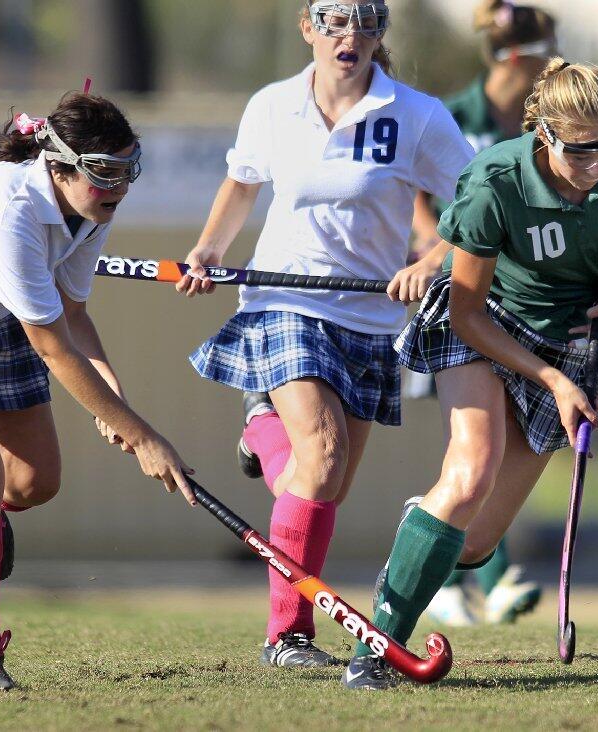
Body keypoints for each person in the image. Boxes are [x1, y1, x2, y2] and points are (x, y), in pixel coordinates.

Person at [344, 59, 598, 690]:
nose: (597, 166)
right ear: (543, 134)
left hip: (573, 341)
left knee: (473, 544)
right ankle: (379, 647)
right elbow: (469, 315)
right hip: (489, 322)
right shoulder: (492, 183)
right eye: (579, 152)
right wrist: (554, 383)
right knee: (471, 468)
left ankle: (430, 527)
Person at [179, 0, 474, 670]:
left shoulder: (418, 116)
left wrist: (431, 261)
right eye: (334, 21)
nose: (351, 36)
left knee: (322, 481)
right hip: (283, 300)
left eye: (366, 22)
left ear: (380, 34)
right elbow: (241, 185)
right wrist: (206, 250)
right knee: (323, 456)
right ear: (307, 29)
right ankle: (287, 635)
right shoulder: (270, 106)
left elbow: (475, 200)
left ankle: (261, 427)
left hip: (369, 319)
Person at [0, 91, 196, 693]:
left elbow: (72, 313)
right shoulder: (10, 208)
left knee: (33, 483)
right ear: (59, 165)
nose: (119, 186)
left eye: (129, 168)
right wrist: (143, 436)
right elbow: (51, 343)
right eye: (105, 172)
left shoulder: (89, 210)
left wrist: (118, 408)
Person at [406, 0, 558, 629]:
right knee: (473, 450)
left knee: (483, 452)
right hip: (455, 289)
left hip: (517, 293)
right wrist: (431, 248)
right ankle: (478, 576)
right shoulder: (454, 115)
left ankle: (468, 570)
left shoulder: (541, 123)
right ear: (523, 55)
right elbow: (416, 188)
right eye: (551, 48)